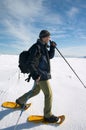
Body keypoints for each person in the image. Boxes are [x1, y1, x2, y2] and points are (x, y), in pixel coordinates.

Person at [16, 30, 59, 123]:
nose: (49, 38)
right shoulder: (36, 47)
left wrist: (52, 48)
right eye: (48, 37)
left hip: (41, 74)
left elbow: (49, 56)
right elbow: (30, 63)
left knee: (35, 91)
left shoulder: (43, 47)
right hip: (40, 74)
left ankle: (20, 101)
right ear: (43, 37)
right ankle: (48, 116)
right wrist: (35, 74)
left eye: (49, 37)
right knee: (49, 94)